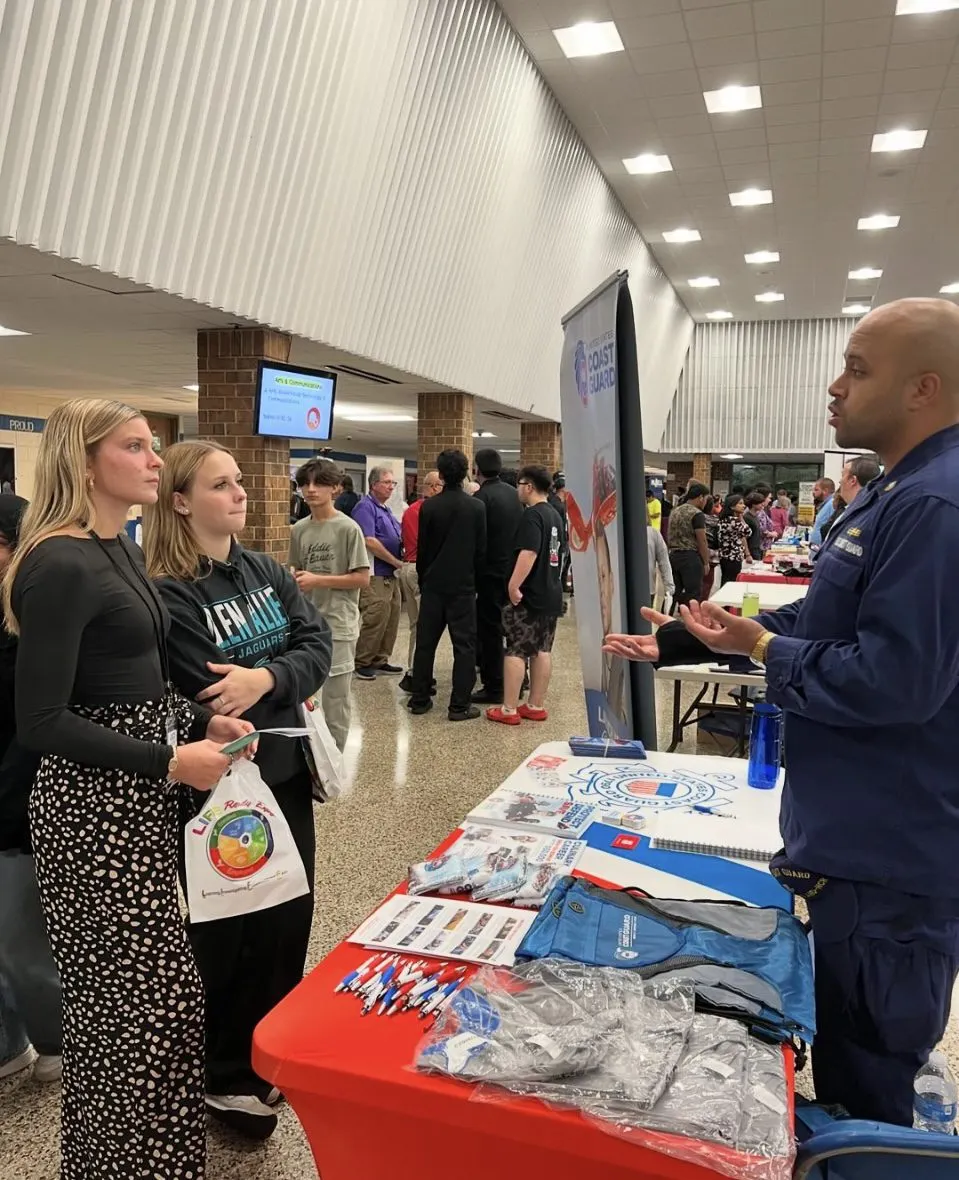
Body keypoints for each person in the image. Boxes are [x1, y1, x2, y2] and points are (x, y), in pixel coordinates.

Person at [603, 297, 959, 1127]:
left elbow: (894, 681)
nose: (834, 388)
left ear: (924, 388)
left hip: (890, 857)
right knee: (842, 1049)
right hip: (853, 840)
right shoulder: (894, 495)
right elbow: (830, 621)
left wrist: (764, 653)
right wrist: (708, 642)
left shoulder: (935, 507)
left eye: (858, 370)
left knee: (867, 1074)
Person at [4, 399, 251, 1178]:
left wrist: (192, 723)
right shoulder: (58, 562)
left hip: (132, 808)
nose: (154, 459)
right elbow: (42, 719)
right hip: (91, 815)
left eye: (154, 444)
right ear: (85, 462)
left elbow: (125, 687)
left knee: (157, 1008)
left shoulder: (116, 549)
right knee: (136, 1011)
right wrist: (171, 763)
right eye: (135, 446)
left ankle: (155, 1161)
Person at [145, 439, 332, 1139]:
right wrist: (268, 679)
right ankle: (224, 1074)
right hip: (217, 792)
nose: (240, 494)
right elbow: (208, 686)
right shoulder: (166, 591)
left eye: (240, 483)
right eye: (221, 485)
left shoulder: (264, 570)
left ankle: (270, 1055)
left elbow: (316, 649)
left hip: (283, 778)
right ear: (182, 501)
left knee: (288, 920)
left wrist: (266, 679)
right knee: (230, 931)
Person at [0, 494, 61, 1086]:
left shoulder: (32, 619)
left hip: (19, 803)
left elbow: (36, 728)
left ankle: (53, 1040)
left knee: (21, 939)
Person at [290, 457, 370, 752]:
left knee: (336, 698)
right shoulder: (299, 529)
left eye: (319, 483)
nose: (311, 490)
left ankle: (335, 756)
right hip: (306, 624)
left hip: (339, 623)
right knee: (306, 695)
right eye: (305, 484)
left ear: (335, 488)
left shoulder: (348, 529)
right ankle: (309, 754)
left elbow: (362, 579)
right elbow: (296, 569)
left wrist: (318, 581)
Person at [408, 450, 486, 721]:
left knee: (425, 643)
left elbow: (423, 550)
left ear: (440, 475)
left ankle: (419, 699)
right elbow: (480, 550)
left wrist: (424, 577)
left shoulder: (429, 507)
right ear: (466, 473)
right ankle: (459, 706)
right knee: (464, 647)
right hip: (463, 586)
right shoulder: (477, 507)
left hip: (434, 585)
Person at [487, 466, 563, 725]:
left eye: (520, 484)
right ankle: (535, 704)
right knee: (542, 649)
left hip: (529, 594)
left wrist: (513, 585)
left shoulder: (532, 516)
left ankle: (509, 709)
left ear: (528, 486)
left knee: (517, 649)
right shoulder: (555, 514)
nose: (517, 489)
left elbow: (529, 553)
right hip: (551, 592)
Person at [472, 448, 524, 705]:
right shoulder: (515, 496)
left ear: (476, 470)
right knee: (514, 627)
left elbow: (478, 541)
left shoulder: (481, 498)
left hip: (490, 574)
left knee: (490, 630)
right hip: (515, 571)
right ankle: (519, 678)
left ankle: (494, 685)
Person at [352, 466, 404, 679]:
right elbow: (369, 541)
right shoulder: (365, 507)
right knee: (376, 616)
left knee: (391, 618)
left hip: (390, 575)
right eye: (387, 482)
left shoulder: (386, 509)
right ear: (374, 485)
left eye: (393, 483)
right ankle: (363, 661)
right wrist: (395, 561)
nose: (391, 487)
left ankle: (380, 658)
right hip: (375, 573)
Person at [396, 469, 441, 694]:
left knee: (416, 625)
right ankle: (418, 675)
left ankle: (415, 668)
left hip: (407, 567)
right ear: (433, 487)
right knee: (425, 627)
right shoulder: (431, 510)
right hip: (420, 570)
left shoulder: (410, 510)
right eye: (441, 486)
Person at [666, 481, 710, 609]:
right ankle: (691, 623)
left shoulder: (675, 510)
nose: (706, 502)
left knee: (674, 592)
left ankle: (666, 619)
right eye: (706, 498)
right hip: (690, 557)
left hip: (673, 556)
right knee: (693, 593)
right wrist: (706, 561)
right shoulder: (697, 514)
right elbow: (702, 540)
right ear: (701, 497)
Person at [822, 455, 882, 543]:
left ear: (852, 480)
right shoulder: (849, 511)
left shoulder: (867, 517)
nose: (840, 481)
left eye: (842, 475)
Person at [717, 493, 752, 586]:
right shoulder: (733, 520)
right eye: (740, 503)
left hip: (724, 556)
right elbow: (748, 532)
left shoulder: (723, 519)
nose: (743, 506)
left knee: (725, 579)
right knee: (731, 581)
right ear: (732, 506)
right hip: (733, 556)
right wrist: (741, 518)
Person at [647, 508, 673, 609]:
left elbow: (664, 561)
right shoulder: (653, 533)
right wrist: (669, 587)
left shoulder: (653, 533)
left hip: (648, 588)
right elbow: (664, 561)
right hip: (647, 587)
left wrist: (669, 587)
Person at [809, 476, 837, 544]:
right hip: (817, 547)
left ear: (825, 491)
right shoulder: (825, 505)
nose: (813, 492)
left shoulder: (832, 504)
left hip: (823, 546)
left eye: (816, 490)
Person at [742, 491, 765, 561]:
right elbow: (744, 537)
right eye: (760, 503)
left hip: (757, 548)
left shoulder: (755, 516)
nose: (762, 505)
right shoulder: (747, 518)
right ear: (753, 504)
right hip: (751, 549)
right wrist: (747, 553)